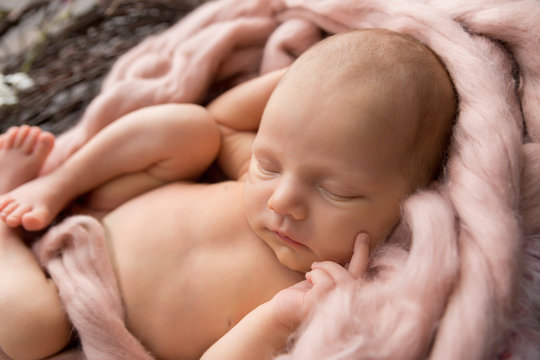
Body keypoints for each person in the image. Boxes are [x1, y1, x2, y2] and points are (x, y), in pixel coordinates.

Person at [0, 29, 456, 360]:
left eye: (335, 191)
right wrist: (305, 82)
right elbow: (223, 118)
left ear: (411, 201)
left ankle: (3, 238)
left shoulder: (321, 294)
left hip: (86, 328)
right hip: (98, 216)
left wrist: (279, 318)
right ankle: (55, 183)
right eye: (269, 165)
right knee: (192, 128)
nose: (281, 200)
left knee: (30, 334)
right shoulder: (248, 175)